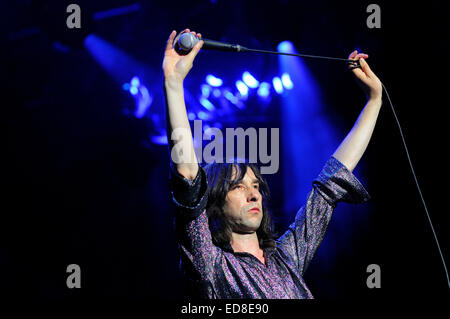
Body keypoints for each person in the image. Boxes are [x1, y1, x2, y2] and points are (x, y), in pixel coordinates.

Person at [162, 28, 383, 299]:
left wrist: (374, 101)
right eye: (238, 187)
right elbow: (187, 178)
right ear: (216, 201)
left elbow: (331, 182)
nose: (254, 193)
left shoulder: (286, 257)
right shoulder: (212, 265)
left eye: (255, 185)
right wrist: (173, 83)